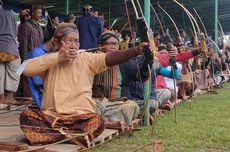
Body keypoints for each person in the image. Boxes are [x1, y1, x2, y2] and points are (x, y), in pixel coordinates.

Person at [20, 23, 148, 146]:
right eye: (68, 41)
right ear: (56, 43)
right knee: (26, 116)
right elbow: (26, 69)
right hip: (52, 117)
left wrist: (136, 50)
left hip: (80, 117)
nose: (73, 45)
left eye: (76, 41)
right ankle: (69, 136)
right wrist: (58, 57)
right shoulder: (49, 60)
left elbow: (110, 58)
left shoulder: (87, 58)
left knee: (98, 121)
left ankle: (62, 135)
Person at [93, 32, 153, 128]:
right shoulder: (93, 60)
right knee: (91, 107)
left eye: (116, 44)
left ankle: (105, 121)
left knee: (135, 106)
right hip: (97, 103)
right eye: (109, 44)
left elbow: (140, 77)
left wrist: (147, 62)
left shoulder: (125, 62)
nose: (113, 47)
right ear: (100, 46)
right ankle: (108, 121)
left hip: (116, 104)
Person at [27, 28, 56, 108]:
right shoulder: (36, 53)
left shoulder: (51, 53)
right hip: (41, 99)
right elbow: (37, 81)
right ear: (53, 40)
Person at [0, 0, 21, 106]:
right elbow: (15, 33)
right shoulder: (13, 14)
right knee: (14, 73)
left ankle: (1, 98)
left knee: (0, 74)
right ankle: (10, 97)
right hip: (11, 48)